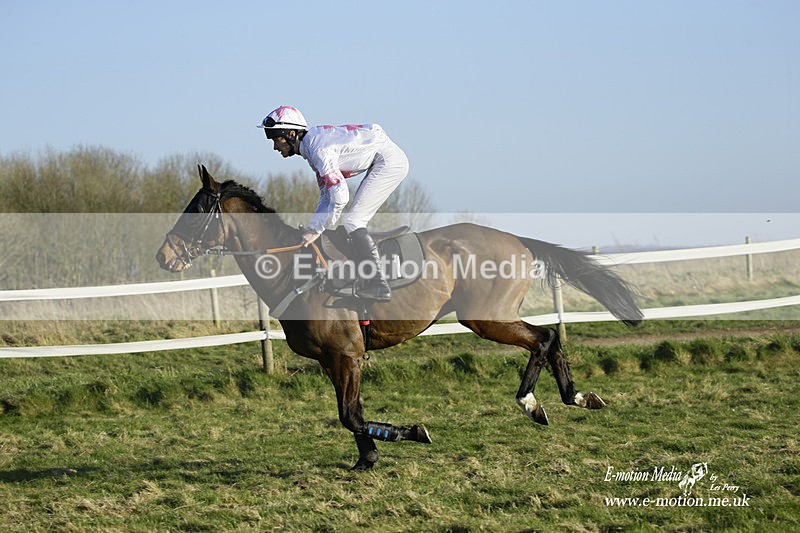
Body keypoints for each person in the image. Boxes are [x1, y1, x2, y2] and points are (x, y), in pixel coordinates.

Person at [258, 105, 409, 301]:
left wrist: (318, 229)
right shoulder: (312, 147)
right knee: (349, 222)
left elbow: (340, 196)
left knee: (354, 222)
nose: (275, 147)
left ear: (292, 134)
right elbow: (326, 195)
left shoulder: (319, 150)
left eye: (276, 140)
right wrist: (312, 228)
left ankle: (378, 284)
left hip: (389, 162)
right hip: (380, 158)